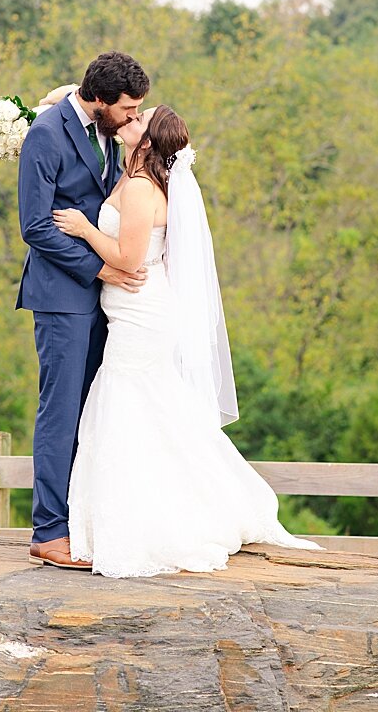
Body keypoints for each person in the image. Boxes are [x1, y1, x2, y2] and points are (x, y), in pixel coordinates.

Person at [52, 106, 319, 576]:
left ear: (149, 143)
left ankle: (154, 520)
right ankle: (189, 500)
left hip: (141, 312)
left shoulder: (138, 188)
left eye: (137, 121)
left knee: (128, 404)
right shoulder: (135, 177)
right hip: (135, 311)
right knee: (154, 407)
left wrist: (83, 228)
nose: (126, 122)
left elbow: (129, 259)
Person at [16, 52, 150, 571]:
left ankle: (85, 523)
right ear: (99, 99)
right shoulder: (46, 135)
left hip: (106, 302)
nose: (134, 116)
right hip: (61, 298)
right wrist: (100, 270)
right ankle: (49, 531)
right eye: (129, 108)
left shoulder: (104, 129)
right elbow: (35, 225)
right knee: (61, 411)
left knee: (96, 413)